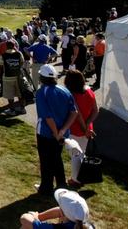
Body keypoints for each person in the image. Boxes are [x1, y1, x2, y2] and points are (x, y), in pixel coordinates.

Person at [34, 65, 78, 195]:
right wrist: (63, 131)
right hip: (62, 134)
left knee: (46, 160)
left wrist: (56, 132)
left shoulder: (42, 92)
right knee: (56, 158)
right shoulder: (64, 90)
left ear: (42, 77)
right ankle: (61, 184)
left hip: (46, 133)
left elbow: (47, 117)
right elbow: (74, 112)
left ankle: (46, 187)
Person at [64, 70, 98, 187]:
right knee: (81, 153)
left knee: (75, 155)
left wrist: (84, 128)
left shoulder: (72, 95)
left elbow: (77, 114)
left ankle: (75, 179)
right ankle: (80, 177)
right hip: (87, 129)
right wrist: (88, 126)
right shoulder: (90, 91)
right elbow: (95, 111)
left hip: (76, 129)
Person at [20, 188, 95, 229]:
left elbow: (24, 219)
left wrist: (34, 216)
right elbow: (59, 210)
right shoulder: (82, 223)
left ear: (63, 213)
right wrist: (39, 216)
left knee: (25, 227)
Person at [0, 41, 26, 115]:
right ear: (14, 46)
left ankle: (12, 110)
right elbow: (22, 62)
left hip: (7, 77)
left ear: (6, 46)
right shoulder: (19, 53)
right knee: (20, 94)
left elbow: (0, 64)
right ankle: (22, 109)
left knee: (10, 95)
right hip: (18, 77)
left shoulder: (3, 55)